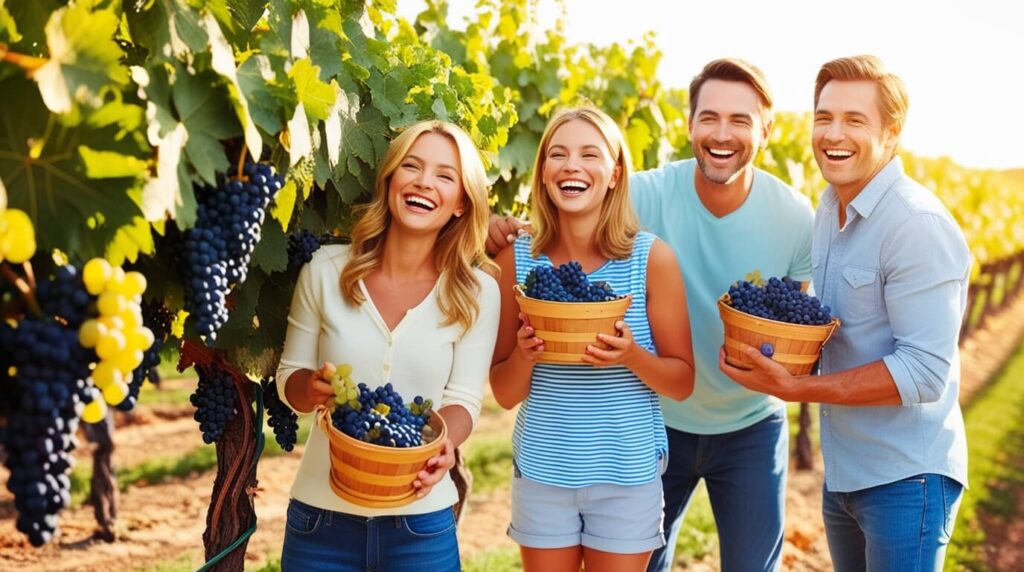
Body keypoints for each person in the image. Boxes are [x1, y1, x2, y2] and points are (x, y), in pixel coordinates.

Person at [488, 59, 814, 572]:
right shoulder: (641, 193)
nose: (722, 133)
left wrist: (632, 355)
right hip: (648, 429)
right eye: (709, 117)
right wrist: (496, 227)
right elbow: (576, 208)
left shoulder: (795, 218)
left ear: (767, 131)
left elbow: (792, 313)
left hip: (743, 420)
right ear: (688, 124)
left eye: (740, 120)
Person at [720, 55, 969, 571]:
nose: (834, 133)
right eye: (824, 117)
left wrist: (796, 389)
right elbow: (832, 329)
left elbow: (925, 373)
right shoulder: (829, 209)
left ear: (892, 133)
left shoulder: (915, 225)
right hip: (847, 475)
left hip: (907, 480)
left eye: (855, 120)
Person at [275, 120, 500, 572]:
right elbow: (289, 378)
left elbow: (463, 401)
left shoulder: (477, 292)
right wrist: (311, 388)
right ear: (391, 181)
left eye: (445, 175)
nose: (423, 182)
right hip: (321, 520)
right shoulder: (324, 269)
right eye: (411, 167)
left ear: (461, 203)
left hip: (420, 524)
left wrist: (445, 446)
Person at [490, 106, 695, 571]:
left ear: (614, 172)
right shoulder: (515, 262)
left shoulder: (651, 260)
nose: (572, 166)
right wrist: (525, 355)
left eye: (589, 154)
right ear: (543, 174)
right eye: (557, 155)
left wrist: (630, 356)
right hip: (543, 471)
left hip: (627, 477)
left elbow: (682, 381)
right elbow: (503, 393)